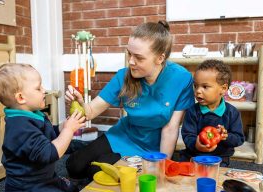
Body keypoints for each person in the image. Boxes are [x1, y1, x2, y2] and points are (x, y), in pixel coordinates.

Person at [65, 20, 195, 179]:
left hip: (151, 149)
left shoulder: (181, 78)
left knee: (97, 171)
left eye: (139, 58)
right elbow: (91, 111)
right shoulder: (123, 76)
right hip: (122, 135)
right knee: (74, 166)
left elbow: (170, 129)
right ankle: (86, 151)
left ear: (160, 58)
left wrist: (162, 166)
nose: (131, 61)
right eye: (129, 54)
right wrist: (79, 102)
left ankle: (111, 161)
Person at [0, 63, 86, 192]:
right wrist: (69, 130)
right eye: (38, 88)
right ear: (21, 98)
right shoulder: (20, 127)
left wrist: (64, 126)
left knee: (72, 189)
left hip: (43, 177)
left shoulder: (31, 114)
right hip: (29, 189)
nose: (44, 90)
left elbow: (47, 134)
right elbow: (50, 153)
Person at [180, 59, 245, 167]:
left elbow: (239, 139)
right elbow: (187, 135)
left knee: (217, 178)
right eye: (196, 86)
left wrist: (226, 136)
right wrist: (196, 145)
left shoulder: (232, 113)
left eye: (205, 87)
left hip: (219, 158)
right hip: (194, 154)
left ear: (223, 89)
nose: (198, 91)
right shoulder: (192, 111)